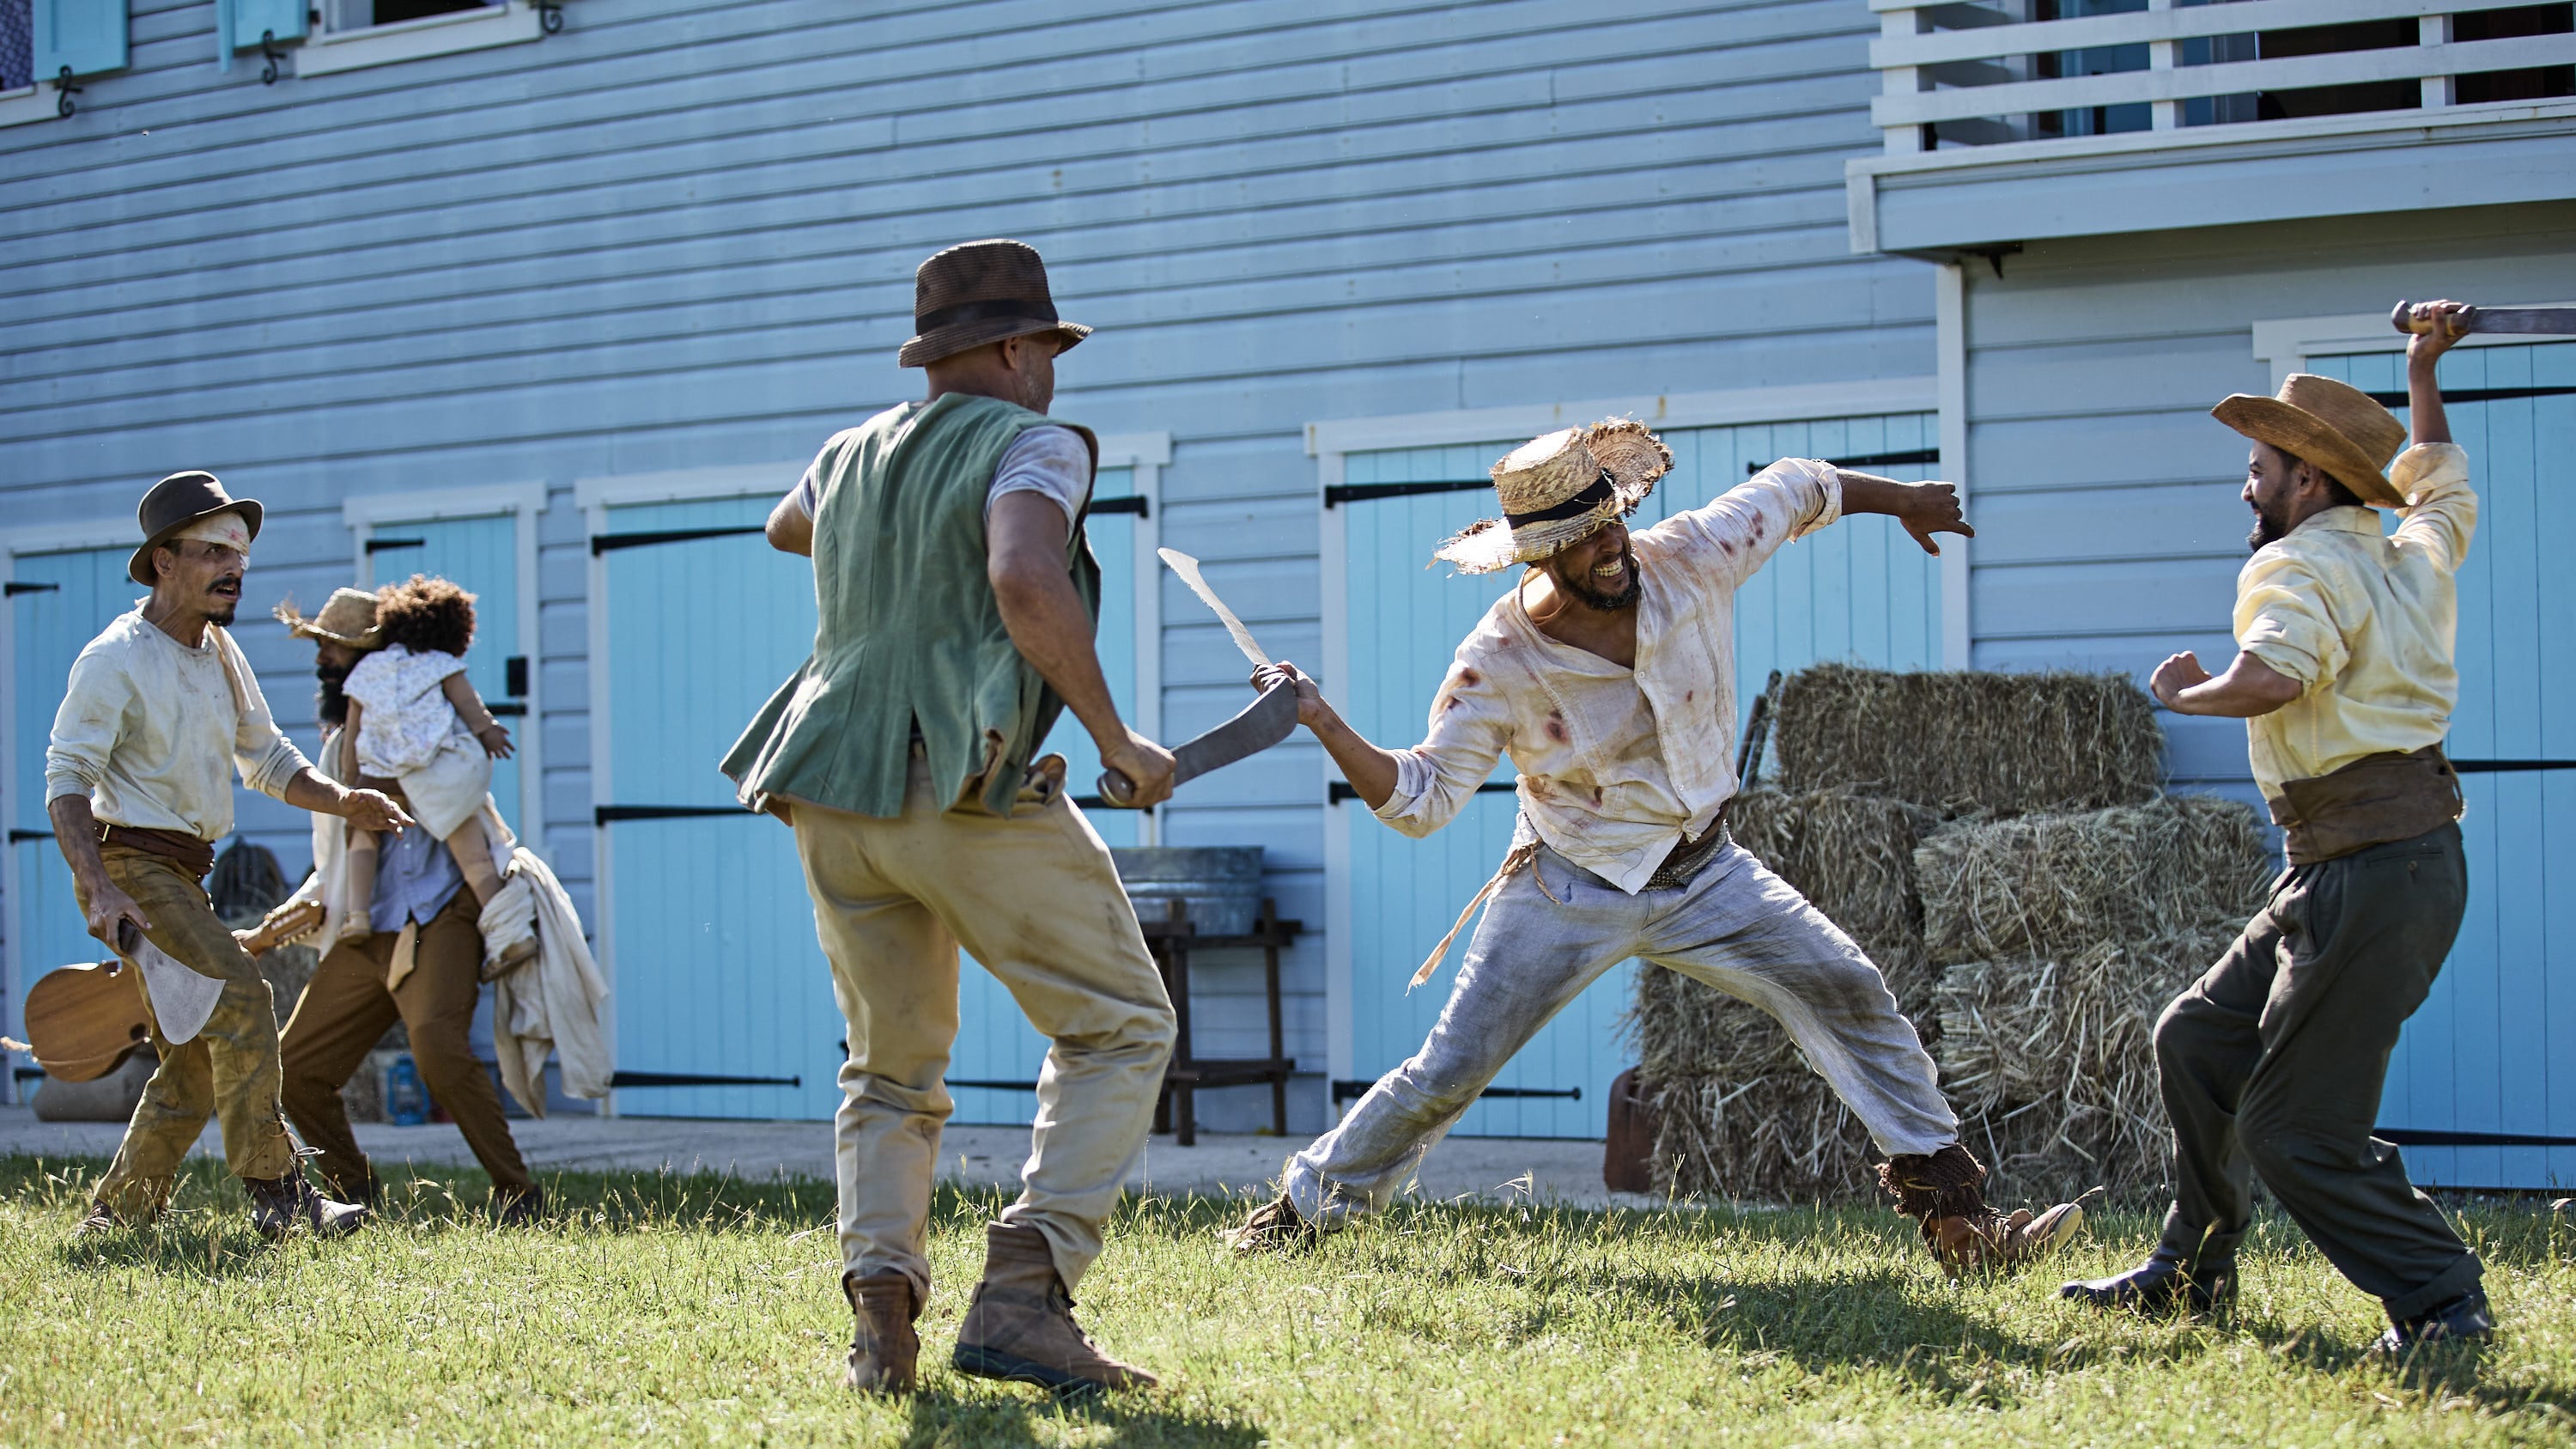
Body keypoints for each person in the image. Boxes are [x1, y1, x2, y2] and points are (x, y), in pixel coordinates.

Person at [1224, 421, 2085, 1273]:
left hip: (1707, 871)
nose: (1605, 550)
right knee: (1449, 1069)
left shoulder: (1691, 554)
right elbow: (1421, 800)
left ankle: (1965, 1226)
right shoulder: (1498, 660)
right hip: (1569, 885)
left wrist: (1906, 499)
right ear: (1535, 555)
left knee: (1850, 987)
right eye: (1576, 540)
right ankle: (1299, 1216)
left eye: (1608, 524)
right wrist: (1321, 717)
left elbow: (1795, 486)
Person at [724, 239, 1178, 1397]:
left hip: (830, 786)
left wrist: (888, 535)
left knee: (887, 1068)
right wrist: (1118, 740)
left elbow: (790, 525)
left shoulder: (850, 449)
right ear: (1021, 349)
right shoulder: (1037, 441)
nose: (1057, 375)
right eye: (1052, 352)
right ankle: (1026, 1293)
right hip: (956, 782)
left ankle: (883, 1328)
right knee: (1121, 1023)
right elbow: (1028, 575)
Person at [2064, 301, 2491, 1354]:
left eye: (2259, 465)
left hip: (2370, 874)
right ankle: (2192, 1272)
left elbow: (2274, 673)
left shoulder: (2297, 566)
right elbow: (2440, 482)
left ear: (2309, 480)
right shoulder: (2408, 554)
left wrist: (2194, 691)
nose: (2246, 484)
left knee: (2296, 1128)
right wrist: (2420, 368)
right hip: (2372, 864)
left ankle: (2441, 1300)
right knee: (2201, 1039)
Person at [45, 472, 410, 1239]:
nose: (234, 566)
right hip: (131, 870)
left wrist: (347, 801)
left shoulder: (220, 652)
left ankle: (115, 1218)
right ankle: (280, 1197)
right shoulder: (114, 657)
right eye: (213, 551)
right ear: (163, 561)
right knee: (244, 996)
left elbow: (269, 759)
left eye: (239, 552)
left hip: (182, 873)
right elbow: (67, 778)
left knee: (191, 1059)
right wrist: (98, 889)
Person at [254, 586, 545, 1224]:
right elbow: (337, 847)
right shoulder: (341, 739)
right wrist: (292, 914)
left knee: (438, 1048)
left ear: (377, 655)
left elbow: (465, 776)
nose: (324, 659)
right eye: (323, 648)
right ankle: (351, 1190)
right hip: (371, 919)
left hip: (445, 908)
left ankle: (517, 1191)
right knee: (295, 1065)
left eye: (334, 648)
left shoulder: (432, 710)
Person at [331, 574, 531, 977]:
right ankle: (511, 937)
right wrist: (489, 733)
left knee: (362, 835)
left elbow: (354, 735)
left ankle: (358, 916)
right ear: (453, 632)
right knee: (473, 856)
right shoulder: (442, 666)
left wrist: (353, 783)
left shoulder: (368, 670)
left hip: (382, 777)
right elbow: (471, 709)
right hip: (433, 774)